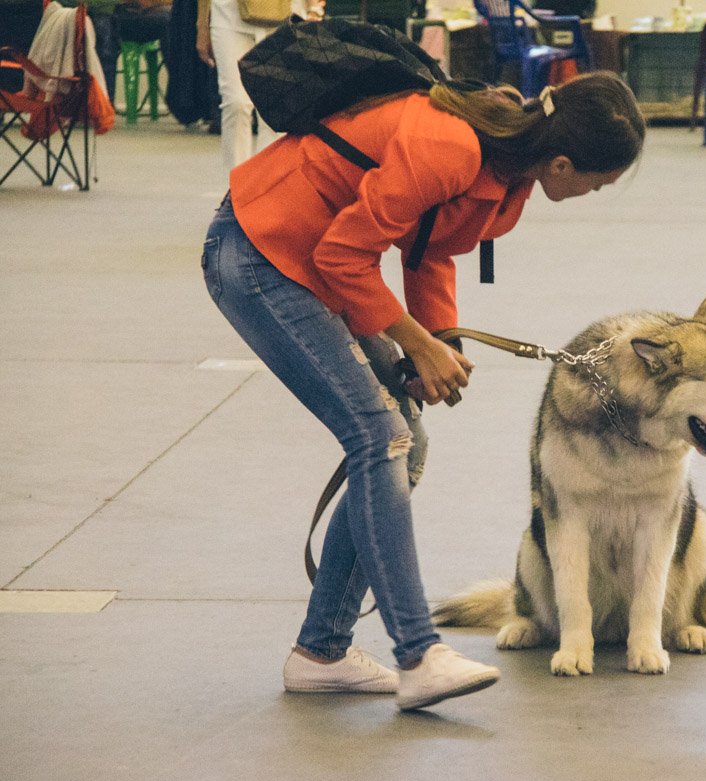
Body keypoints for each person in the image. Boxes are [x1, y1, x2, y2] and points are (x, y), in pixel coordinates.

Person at [201, 72, 645, 712]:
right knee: (380, 438)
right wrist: (416, 344)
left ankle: (320, 652)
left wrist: (442, 340)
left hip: (306, 259)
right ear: (563, 162)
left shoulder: (507, 171)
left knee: (400, 446)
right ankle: (419, 653)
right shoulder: (453, 147)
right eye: (599, 180)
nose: (598, 191)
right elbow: (344, 255)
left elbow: (428, 247)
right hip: (258, 252)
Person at [195, 0, 315, 173]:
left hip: (287, 15)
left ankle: (267, 184)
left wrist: (314, 10)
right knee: (236, 103)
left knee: (276, 109)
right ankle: (237, 187)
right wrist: (202, 26)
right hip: (227, 15)